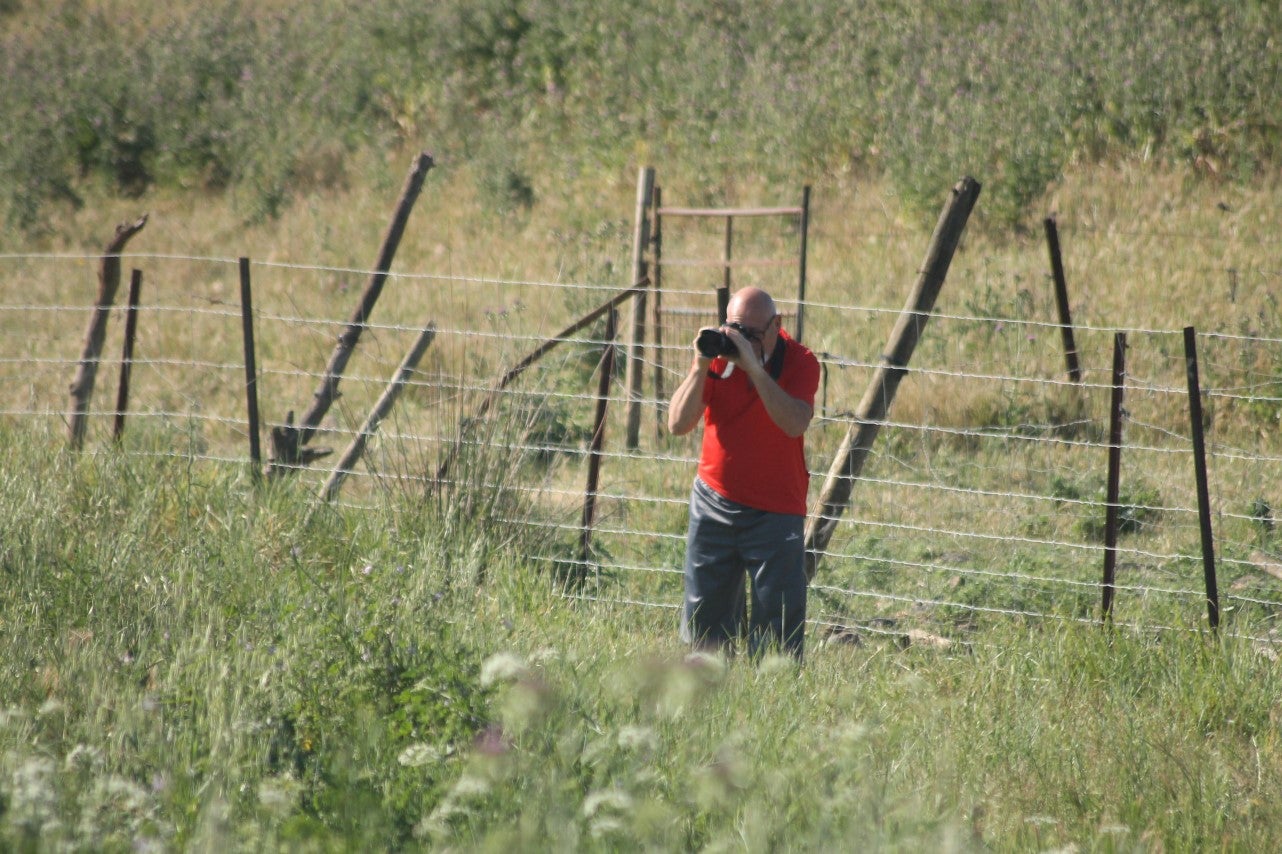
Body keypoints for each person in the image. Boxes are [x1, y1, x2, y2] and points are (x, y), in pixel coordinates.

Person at [667, 286, 820, 659]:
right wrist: (701, 365)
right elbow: (676, 423)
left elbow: (794, 423)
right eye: (735, 329)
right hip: (713, 502)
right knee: (704, 629)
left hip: (776, 511)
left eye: (752, 333)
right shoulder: (718, 358)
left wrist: (755, 368)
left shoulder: (801, 361)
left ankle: (772, 705)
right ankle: (706, 705)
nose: (742, 340)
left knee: (778, 634)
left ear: (776, 326)